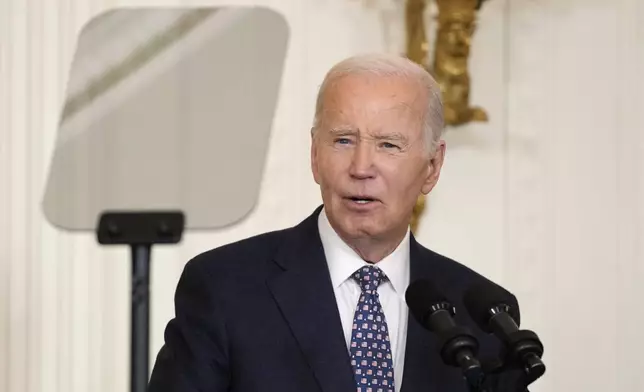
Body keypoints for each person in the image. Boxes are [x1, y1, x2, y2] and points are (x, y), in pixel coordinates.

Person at [148, 53, 520, 392]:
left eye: (388, 145)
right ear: (314, 154)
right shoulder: (224, 289)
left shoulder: (484, 318)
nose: (360, 168)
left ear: (433, 166)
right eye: (343, 140)